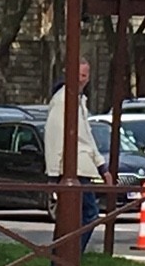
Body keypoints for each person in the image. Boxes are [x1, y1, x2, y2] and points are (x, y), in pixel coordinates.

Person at [45, 58, 111, 252]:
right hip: (72, 168)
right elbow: (55, 136)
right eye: (79, 75)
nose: (82, 79)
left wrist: (101, 167)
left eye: (85, 75)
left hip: (80, 166)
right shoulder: (64, 100)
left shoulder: (79, 100)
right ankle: (69, 257)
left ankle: (63, 259)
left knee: (72, 218)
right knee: (87, 214)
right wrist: (54, 172)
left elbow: (86, 136)